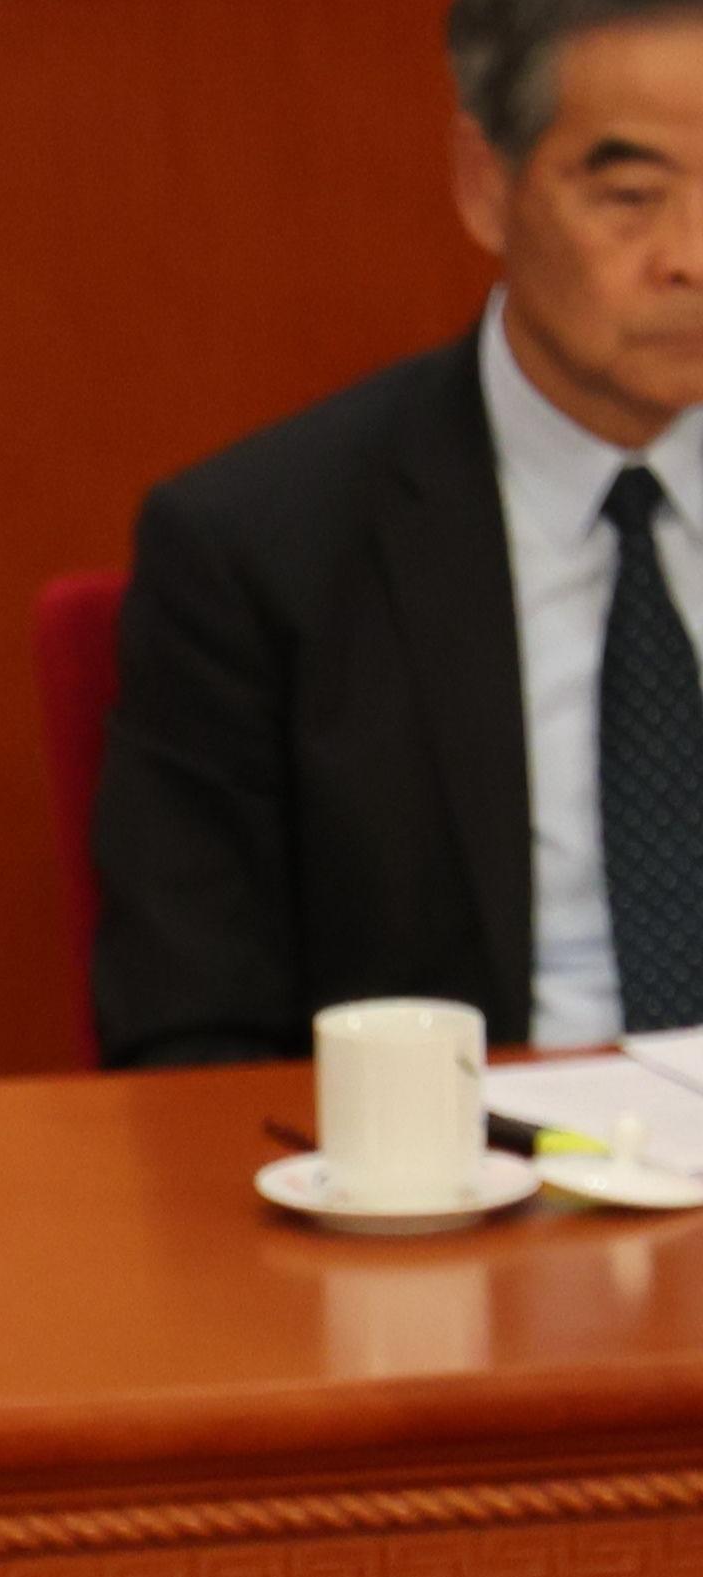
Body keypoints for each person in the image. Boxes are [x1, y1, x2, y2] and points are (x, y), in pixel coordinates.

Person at [95, 0, 703, 1066]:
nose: (691, 257)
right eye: (631, 197)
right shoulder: (257, 552)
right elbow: (189, 1035)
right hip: (460, 1150)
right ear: (485, 183)